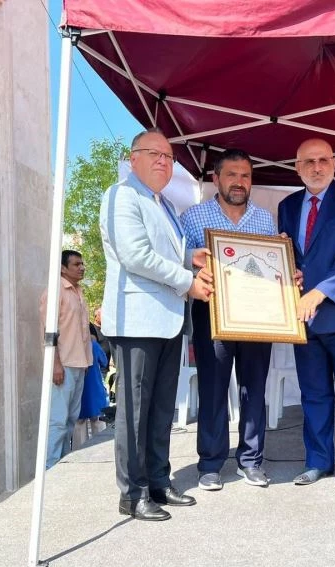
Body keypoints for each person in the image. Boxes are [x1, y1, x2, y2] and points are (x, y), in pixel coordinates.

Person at [100, 128, 213, 522]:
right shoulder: (121, 196)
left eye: (169, 156)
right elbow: (136, 256)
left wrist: (191, 257)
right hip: (136, 321)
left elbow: (169, 253)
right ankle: (132, 494)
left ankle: (159, 482)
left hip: (167, 320)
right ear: (134, 160)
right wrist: (188, 281)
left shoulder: (163, 204)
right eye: (155, 154)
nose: (164, 162)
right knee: (135, 412)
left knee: (161, 408)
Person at [277, 138, 335, 491]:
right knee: (314, 393)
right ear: (297, 168)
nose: (316, 168)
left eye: (323, 160)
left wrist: (317, 292)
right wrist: (291, 273)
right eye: (308, 162)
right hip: (304, 317)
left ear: (334, 164)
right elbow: (288, 255)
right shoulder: (287, 206)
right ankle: (318, 460)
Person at [180, 149, 276, 491]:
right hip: (212, 314)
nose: (239, 182)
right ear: (215, 179)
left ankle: (251, 461)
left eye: (246, 176)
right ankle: (210, 463)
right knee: (213, 388)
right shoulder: (193, 217)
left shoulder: (265, 220)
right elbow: (180, 266)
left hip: (257, 317)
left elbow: (272, 267)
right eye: (232, 175)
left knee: (254, 389)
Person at [39, 250, 93, 468]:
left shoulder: (78, 292)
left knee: (70, 421)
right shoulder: (55, 293)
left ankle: (60, 467)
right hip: (63, 366)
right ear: (62, 268)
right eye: (76, 264)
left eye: (82, 263)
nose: (81, 268)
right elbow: (47, 331)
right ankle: (49, 470)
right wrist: (55, 365)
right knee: (58, 422)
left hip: (80, 364)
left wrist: (87, 361)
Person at [73, 323, 109, 448]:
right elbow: (104, 361)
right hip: (95, 388)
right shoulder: (94, 345)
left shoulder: (75, 346)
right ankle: (100, 447)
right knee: (97, 421)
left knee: (79, 423)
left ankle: (78, 450)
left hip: (80, 388)